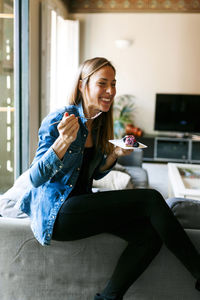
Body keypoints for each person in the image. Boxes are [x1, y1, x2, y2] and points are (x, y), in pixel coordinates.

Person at [18, 57, 200, 299]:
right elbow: (35, 178)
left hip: (81, 204)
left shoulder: (99, 122)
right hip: (58, 213)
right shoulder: (60, 120)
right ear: (83, 85)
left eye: (113, 84)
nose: (110, 91)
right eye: (102, 83)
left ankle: (107, 298)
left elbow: (94, 174)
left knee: (148, 237)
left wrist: (115, 153)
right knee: (151, 199)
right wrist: (62, 143)